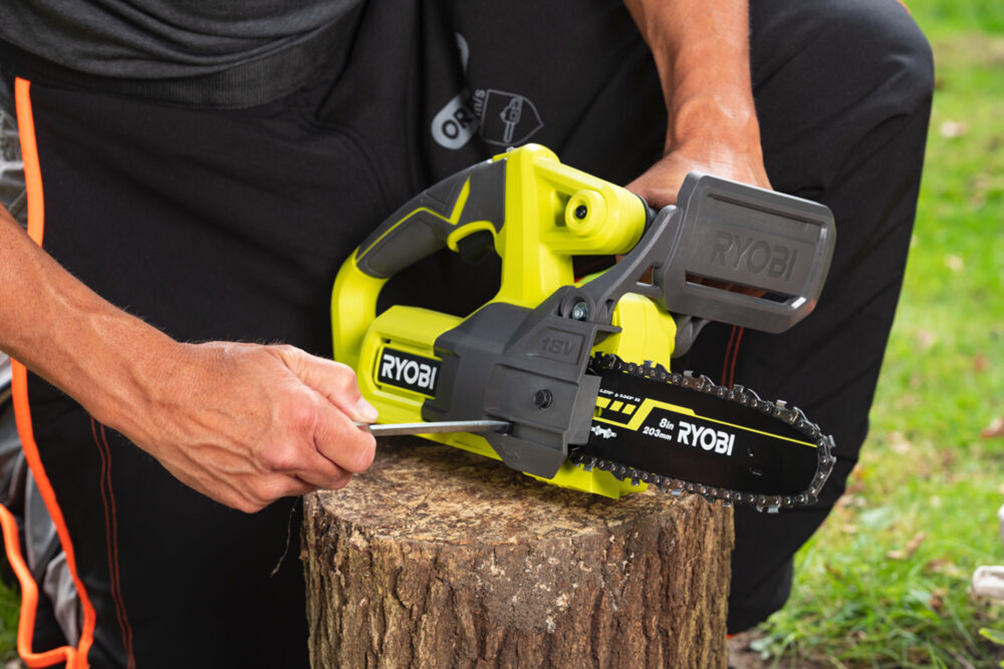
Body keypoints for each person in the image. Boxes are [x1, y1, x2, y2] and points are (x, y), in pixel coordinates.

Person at [0, 0, 933, 666]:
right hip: (132, 102)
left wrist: (715, 123)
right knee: (220, 616)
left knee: (856, 64)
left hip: (411, 23)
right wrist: (160, 388)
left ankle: (697, 624)